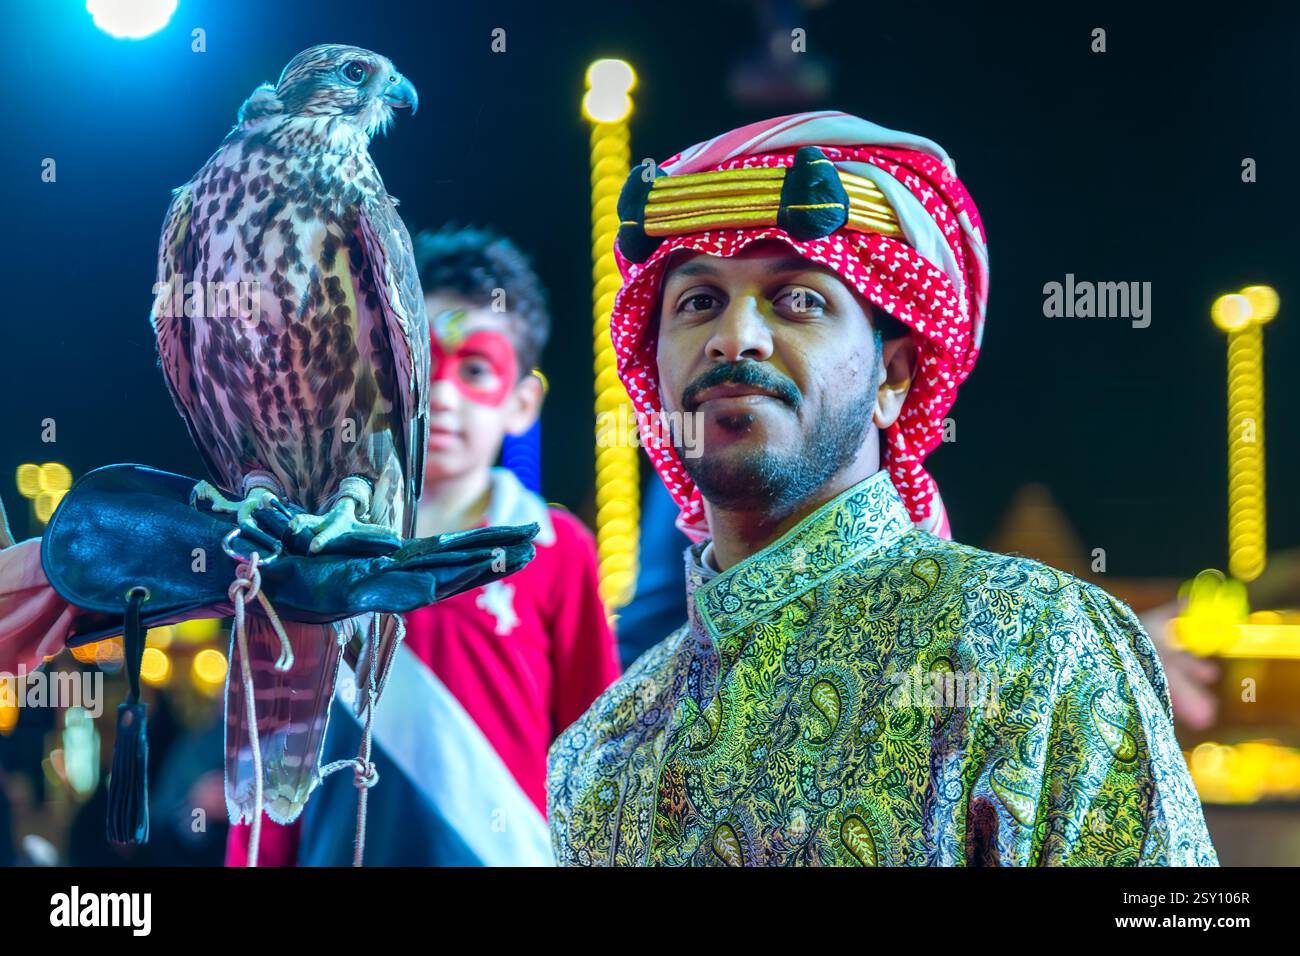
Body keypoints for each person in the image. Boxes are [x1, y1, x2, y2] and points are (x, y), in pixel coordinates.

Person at [546, 112, 1218, 866]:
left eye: (798, 299)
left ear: (893, 378)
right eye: (698, 301)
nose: (735, 336)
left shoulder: (1035, 646)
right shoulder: (603, 747)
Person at [228, 226, 621, 865]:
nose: (442, 394)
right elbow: (269, 757)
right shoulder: (305, 546)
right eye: (421, 365)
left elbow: (598, 751)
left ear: (523, 402)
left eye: (475, 369)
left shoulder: (557, 549)